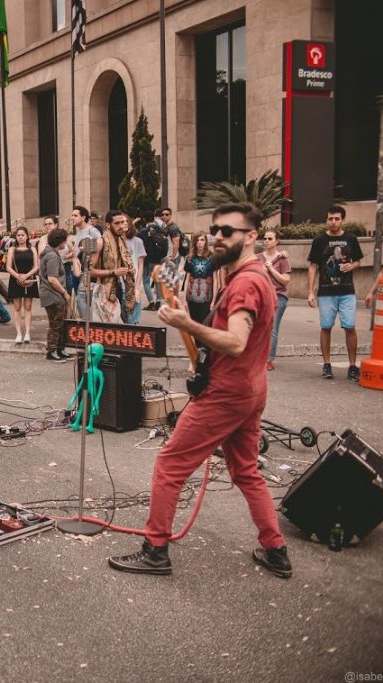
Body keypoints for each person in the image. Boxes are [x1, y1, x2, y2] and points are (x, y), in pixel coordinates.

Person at [108, 202, 291, 579]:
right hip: (250, 389)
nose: (218, 237)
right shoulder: (251, 276)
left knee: (170, 464)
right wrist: (188, 324)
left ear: (253, 236)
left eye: (229, 232)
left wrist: (186, 325)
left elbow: (237, 342)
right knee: (245, 471)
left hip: (226, 393)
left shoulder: (246, 282)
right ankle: (275, 549)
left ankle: (155, 549)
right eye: (216, 230)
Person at [307, 205, 364, 381]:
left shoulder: (351, 238)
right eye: (330, 218)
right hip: (326, 292)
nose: (333, 222)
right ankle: (327, 364)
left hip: (347, 291)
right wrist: (310, 291)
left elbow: (359, 262)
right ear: (326, 220)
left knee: (350, 327)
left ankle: (353, 366)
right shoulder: (319, 240)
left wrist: (350, 266)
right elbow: (313, 266)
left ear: (342, 220)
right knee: (326, 327)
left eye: (337, 219)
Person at [87, 210, 135, 324]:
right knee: (106, 332)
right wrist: (113, 272)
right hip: (102, 291)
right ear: (108, 225)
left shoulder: (121, 241)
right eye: (116, 223)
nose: (120, 226)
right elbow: (88, 271)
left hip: (118, 289)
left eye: (122, 222)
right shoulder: (99, 242)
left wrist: (128, 270)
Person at [39, 228, 72, 362]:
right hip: (54, 294)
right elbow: (52, 278)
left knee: (60, 322)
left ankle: (60, 349)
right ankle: (51, 351)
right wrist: (65, 293)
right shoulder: (52, 255)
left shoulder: (49, 253)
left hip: (51, 294)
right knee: (56, 324)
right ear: (61, 241)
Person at [262, 228, 291, 370]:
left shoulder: (282, 258)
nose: (266, 241)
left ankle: (269, 358)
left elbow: (286, 280)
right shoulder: (258, 257)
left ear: (277, 241)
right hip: (262, 296)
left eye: (270, 239)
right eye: (265, 238)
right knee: (259, 328)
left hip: (278, 296)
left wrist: (272, 270)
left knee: (272, 327)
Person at [5, 226, 39, 343]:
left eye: (23, 235)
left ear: (27, 236)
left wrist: (26, 275)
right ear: (16, 237)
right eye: (18, 235)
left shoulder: (33, 249)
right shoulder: (12, 249)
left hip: (29, 279)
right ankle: (19, 333)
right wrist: (18, 276)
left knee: (28, 307)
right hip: (15, 279)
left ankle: (28, 333)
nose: (20, 237)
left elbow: (36, 266)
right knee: (17, 307)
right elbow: (8, 267)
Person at [181, 231, 217, 324]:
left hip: (206, 299)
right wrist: (184, 300)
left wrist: (214, 300)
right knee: (195, 325)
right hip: (192, 298)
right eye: (197, 240)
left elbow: (216, 280)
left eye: (202, 240)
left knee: (205, 326)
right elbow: (187, 279)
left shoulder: (212, 257)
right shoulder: (189, 258)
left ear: (206, 242)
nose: (199, 242)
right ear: (194, 242)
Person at [141, 215, 171, 310]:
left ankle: (151, 303)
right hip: (159, 260)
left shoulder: (144, 231)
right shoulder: (160, 229)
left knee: (146, 281)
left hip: (149, 260)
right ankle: (158, 302)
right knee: (157, 281)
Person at [124, 220, 147, 324]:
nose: (123, 224)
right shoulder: (114, 241)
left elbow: (141, 265)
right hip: (119, 284)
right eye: (120, 222)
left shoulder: (137, 241)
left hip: (133, 284)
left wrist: (137, 287)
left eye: (125, 222)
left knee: (133, 320)